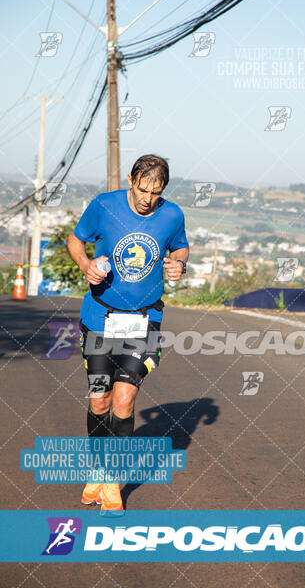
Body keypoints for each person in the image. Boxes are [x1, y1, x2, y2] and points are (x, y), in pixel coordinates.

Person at [67, 154, 189, 511]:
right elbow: (76, 241)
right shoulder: (105, 206)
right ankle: (98, 467)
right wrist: (87, 265)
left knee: (123, 399)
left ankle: (111, 481)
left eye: (156, 191)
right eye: (142, 188)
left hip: (144, 320)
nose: (147, 198)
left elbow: (180, 245)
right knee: (100, 399)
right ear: (130, 180)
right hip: (100, 318)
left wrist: (179, 263)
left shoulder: (171, 215)